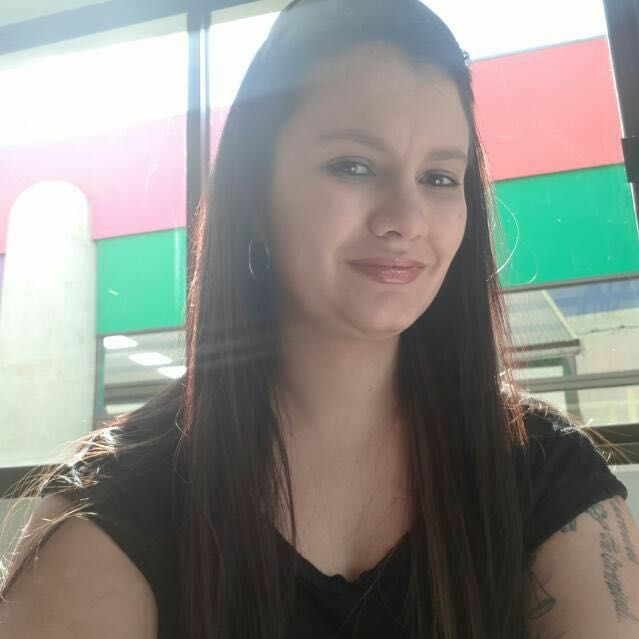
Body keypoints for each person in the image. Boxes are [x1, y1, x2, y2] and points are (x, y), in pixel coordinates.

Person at [1, 0, 637, 637]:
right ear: (255, 197)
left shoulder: (545, 472)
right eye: (353, 166)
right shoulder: (115, 502)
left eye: (440, 178)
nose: (406, 219)